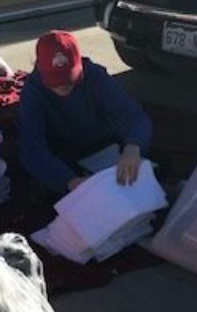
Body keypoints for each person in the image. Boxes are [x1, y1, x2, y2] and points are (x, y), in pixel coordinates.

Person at [19, 30, 153, 195]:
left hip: (107, 147)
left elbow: (134, 115)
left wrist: (133, 146)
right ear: (40, 69)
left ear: (79, 65)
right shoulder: (33, 92)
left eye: (68, 79)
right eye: (55, 80)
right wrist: (69, 181)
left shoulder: (95, 76)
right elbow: (31, 147)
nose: (62, 86)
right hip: (65, 158)